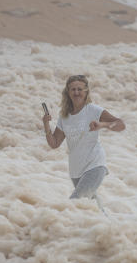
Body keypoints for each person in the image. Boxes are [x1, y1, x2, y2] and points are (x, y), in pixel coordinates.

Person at [43, 75, 125, 204]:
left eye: (79, 89)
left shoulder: (93, 110)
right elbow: (54, 143)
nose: (76, 92)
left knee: (74, 204)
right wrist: (46, 124)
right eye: (73, 89)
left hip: (94, 165)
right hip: (76, 172)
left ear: (86, 91)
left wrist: (103, 125)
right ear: (68, 92)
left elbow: (120, 124)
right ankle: (111, 223)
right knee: (90, 209)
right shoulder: (64, 116)